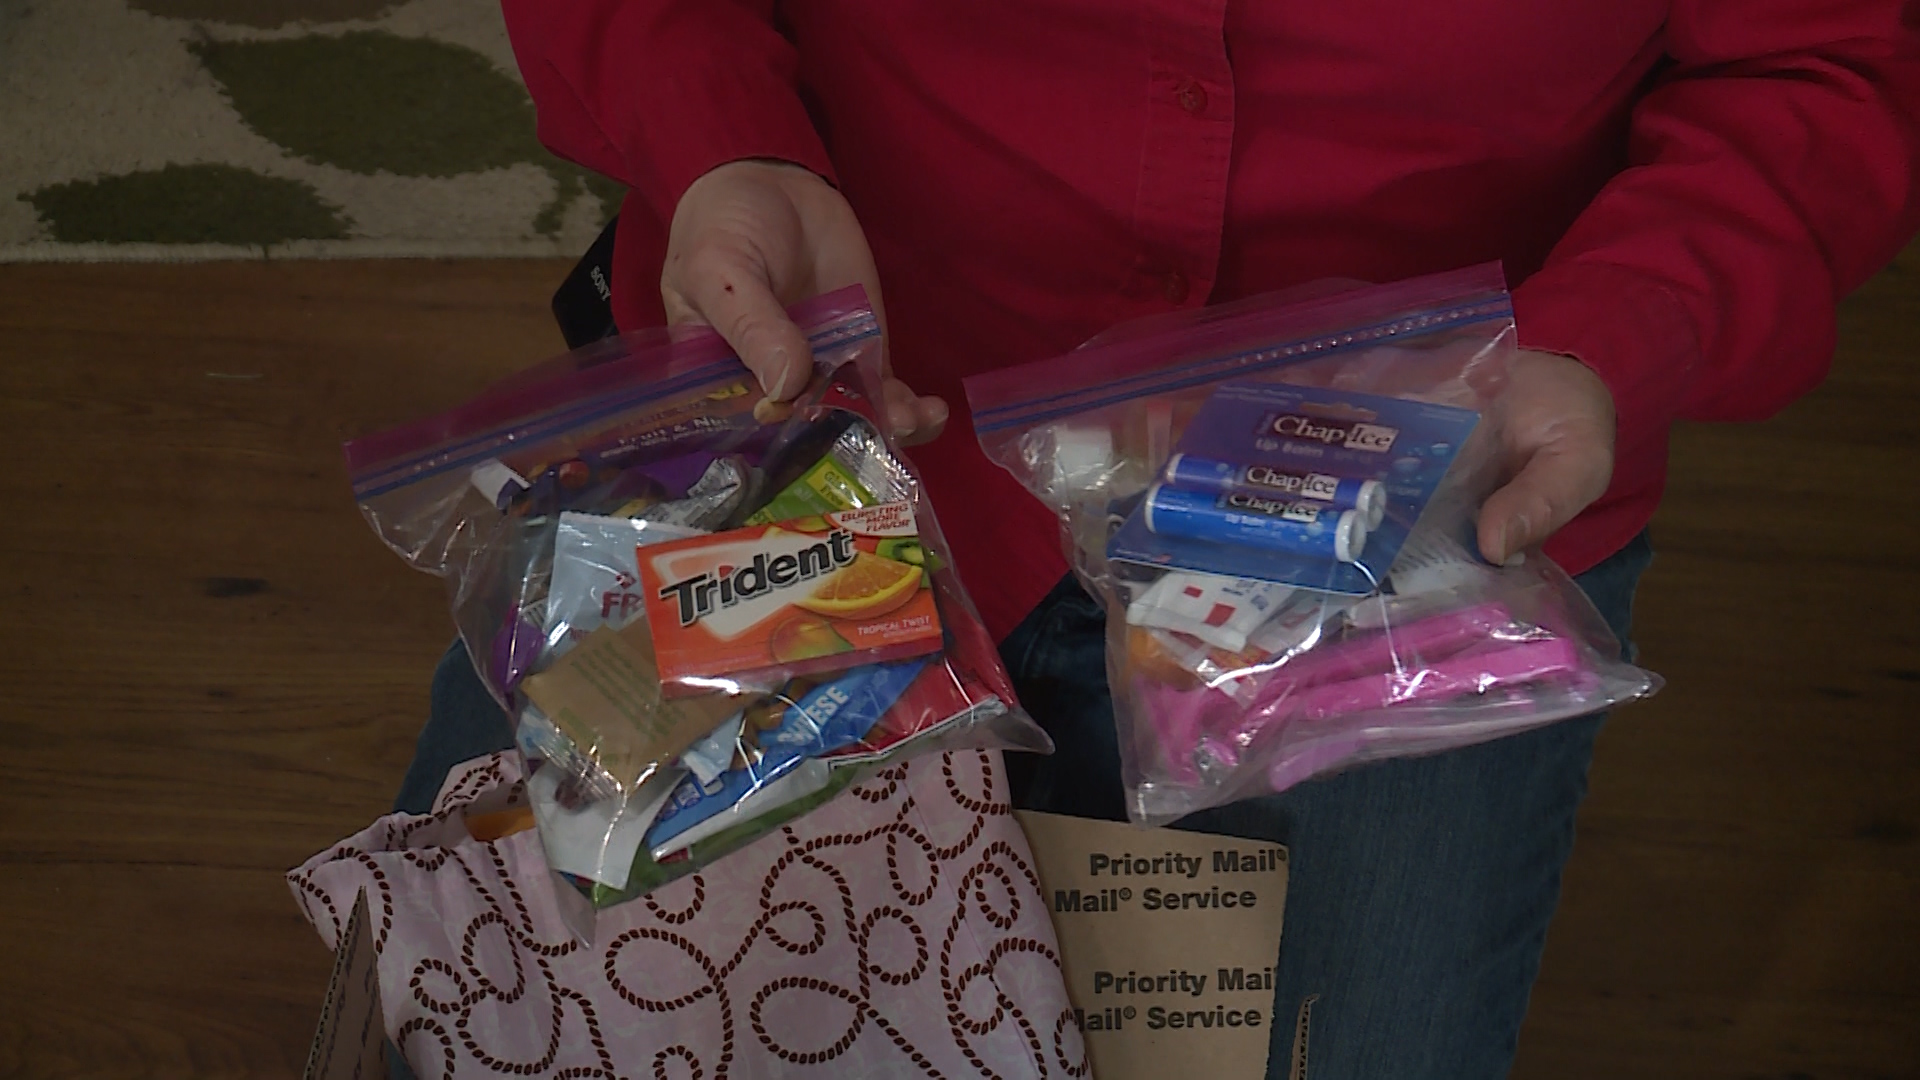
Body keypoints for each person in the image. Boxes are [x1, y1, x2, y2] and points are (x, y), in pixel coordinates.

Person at [397, 4, 1920, 1076]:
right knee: (517, 1013)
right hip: (830, 405)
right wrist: (727, 141)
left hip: (1417, 506)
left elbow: (1823, 64)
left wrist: (1616, 330)